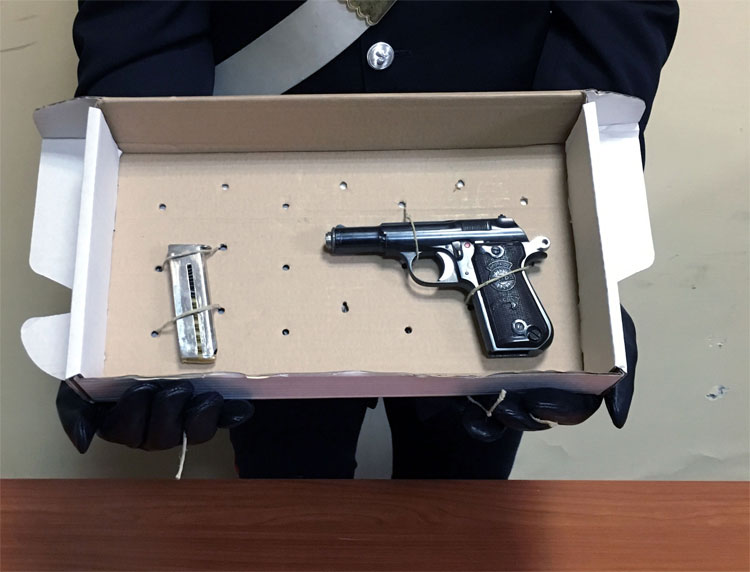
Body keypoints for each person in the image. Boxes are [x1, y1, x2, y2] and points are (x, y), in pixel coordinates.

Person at [57, 0, 679, 478]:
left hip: (496, 185)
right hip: (253, 223)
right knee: (288, 526)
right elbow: (143, 39)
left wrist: (576, 240)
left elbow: (614, 22)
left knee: (465, 525)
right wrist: (132, 284)